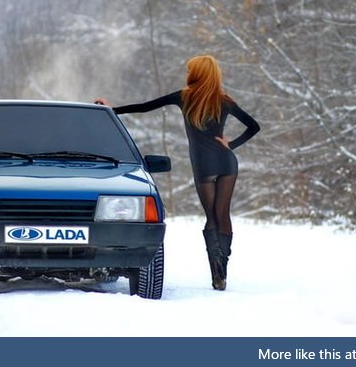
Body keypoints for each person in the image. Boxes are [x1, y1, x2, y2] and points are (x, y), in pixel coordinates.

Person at [95, 55, 259, 291]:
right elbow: (254, 126)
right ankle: (221, 267)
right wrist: (231, 144)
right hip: (226, 162)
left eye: (190, 70)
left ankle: (216, 268)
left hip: (203, 163)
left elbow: (144, 107)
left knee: (212, 216)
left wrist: (112, 111)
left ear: (197, 73)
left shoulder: (184, 96)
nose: (187, 73)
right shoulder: (224, 100)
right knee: (223, 214)